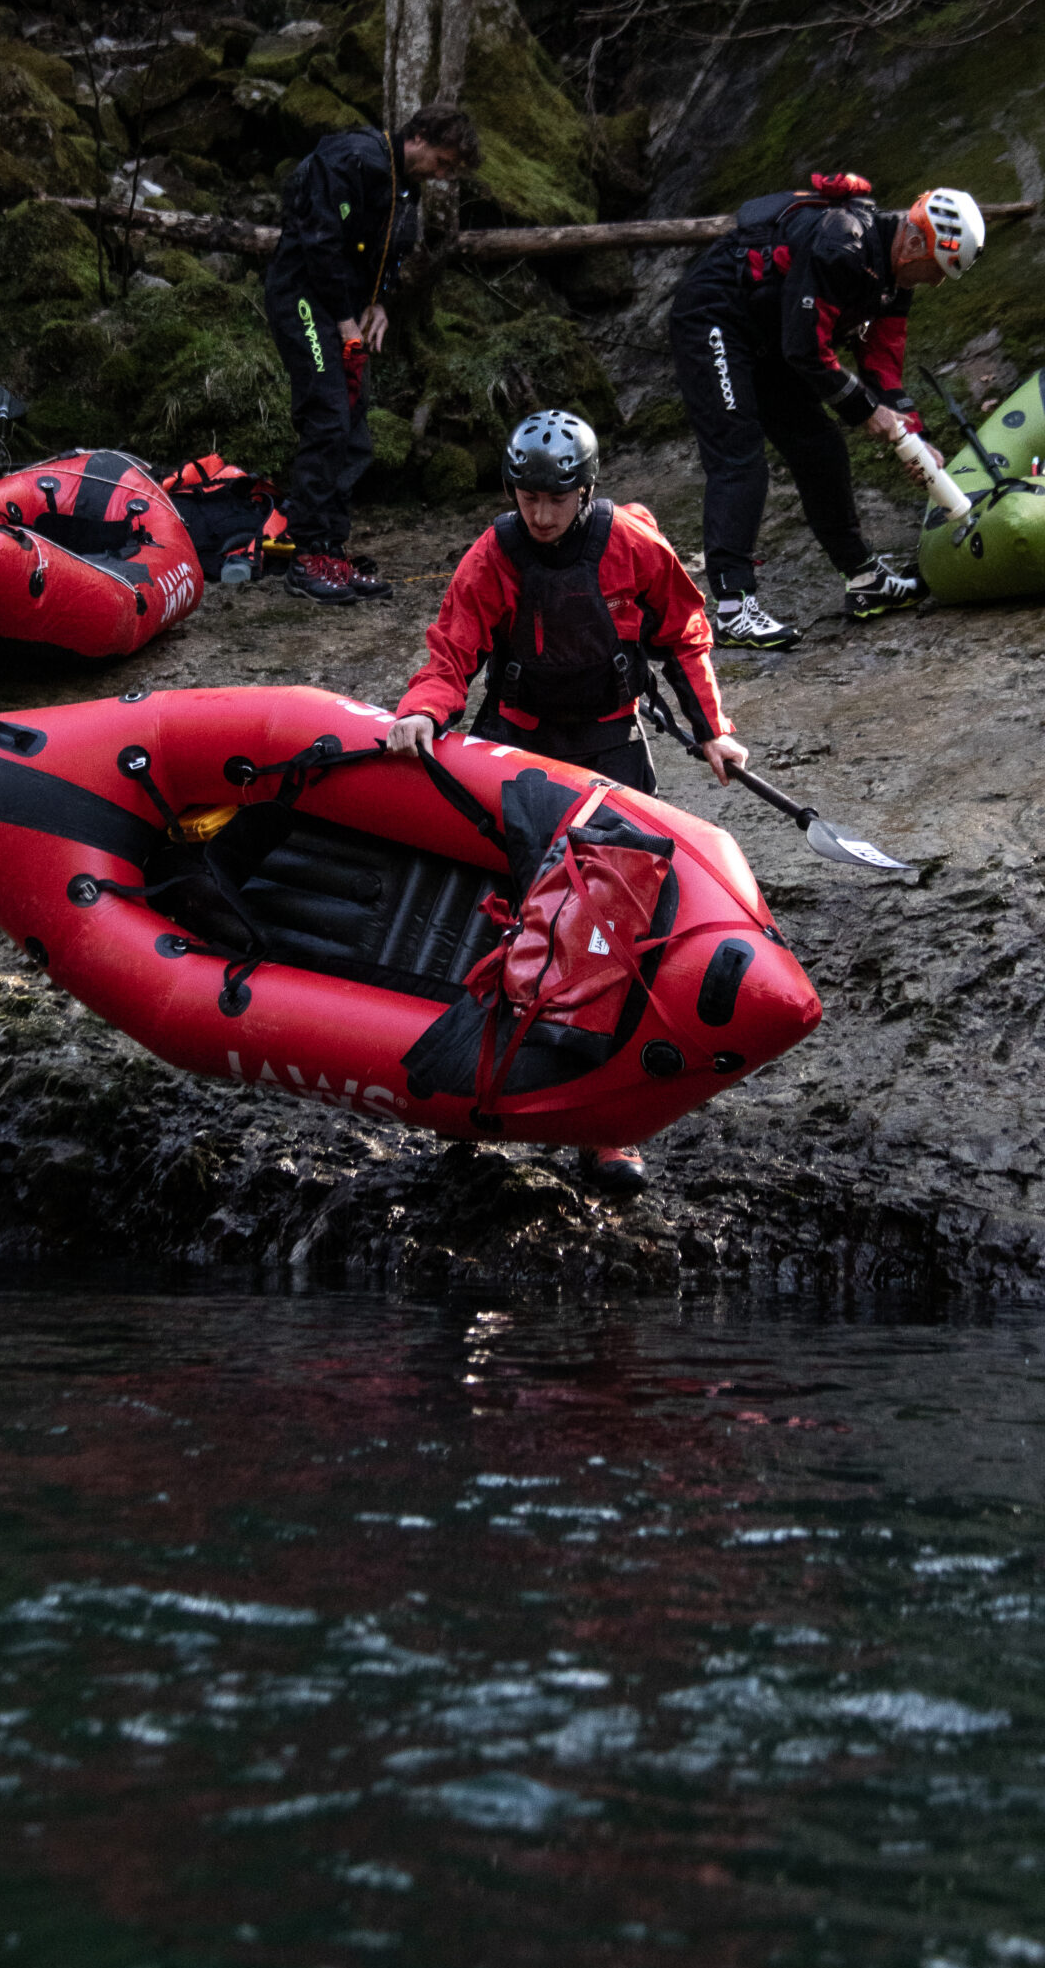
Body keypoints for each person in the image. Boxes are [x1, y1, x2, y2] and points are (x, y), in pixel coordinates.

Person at [386, 409, 748, 1199]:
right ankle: (469, 1103)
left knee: (614, 935)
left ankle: (603, 1130)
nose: (540, 516)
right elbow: (452, 650)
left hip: (610, 746)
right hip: (516, 749)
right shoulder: (495, 553)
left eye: (554, 500)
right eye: (527, 499)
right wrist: (423, 710)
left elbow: (684, 633)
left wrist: (712, 732)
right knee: (498, 916)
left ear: (584, 491)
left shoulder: (632, 545)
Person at [670, 179, 986, 645]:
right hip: (715, 318)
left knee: (821, 447)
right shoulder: (842, 247)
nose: (937, 281)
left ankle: (864, 580)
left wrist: (914, 441)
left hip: (772, 338)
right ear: (915, 240)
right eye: (936, 268)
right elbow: (806, 349)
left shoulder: (895, 277)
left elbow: (883, 365)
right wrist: (865, 412)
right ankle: (734, 608)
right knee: (739, 458)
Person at [266, 101, 482, 603]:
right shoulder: (351, 157)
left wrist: (377, 304)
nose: (444, 175)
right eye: (444, 162)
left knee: (355, 427)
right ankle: (305, 557)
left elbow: (387, 251)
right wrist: (345, 320)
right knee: (327, 416)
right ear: (420, 137)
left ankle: (330, 550)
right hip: (304, 297)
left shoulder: (404, 185)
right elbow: (320, 243)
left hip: (345, 310)